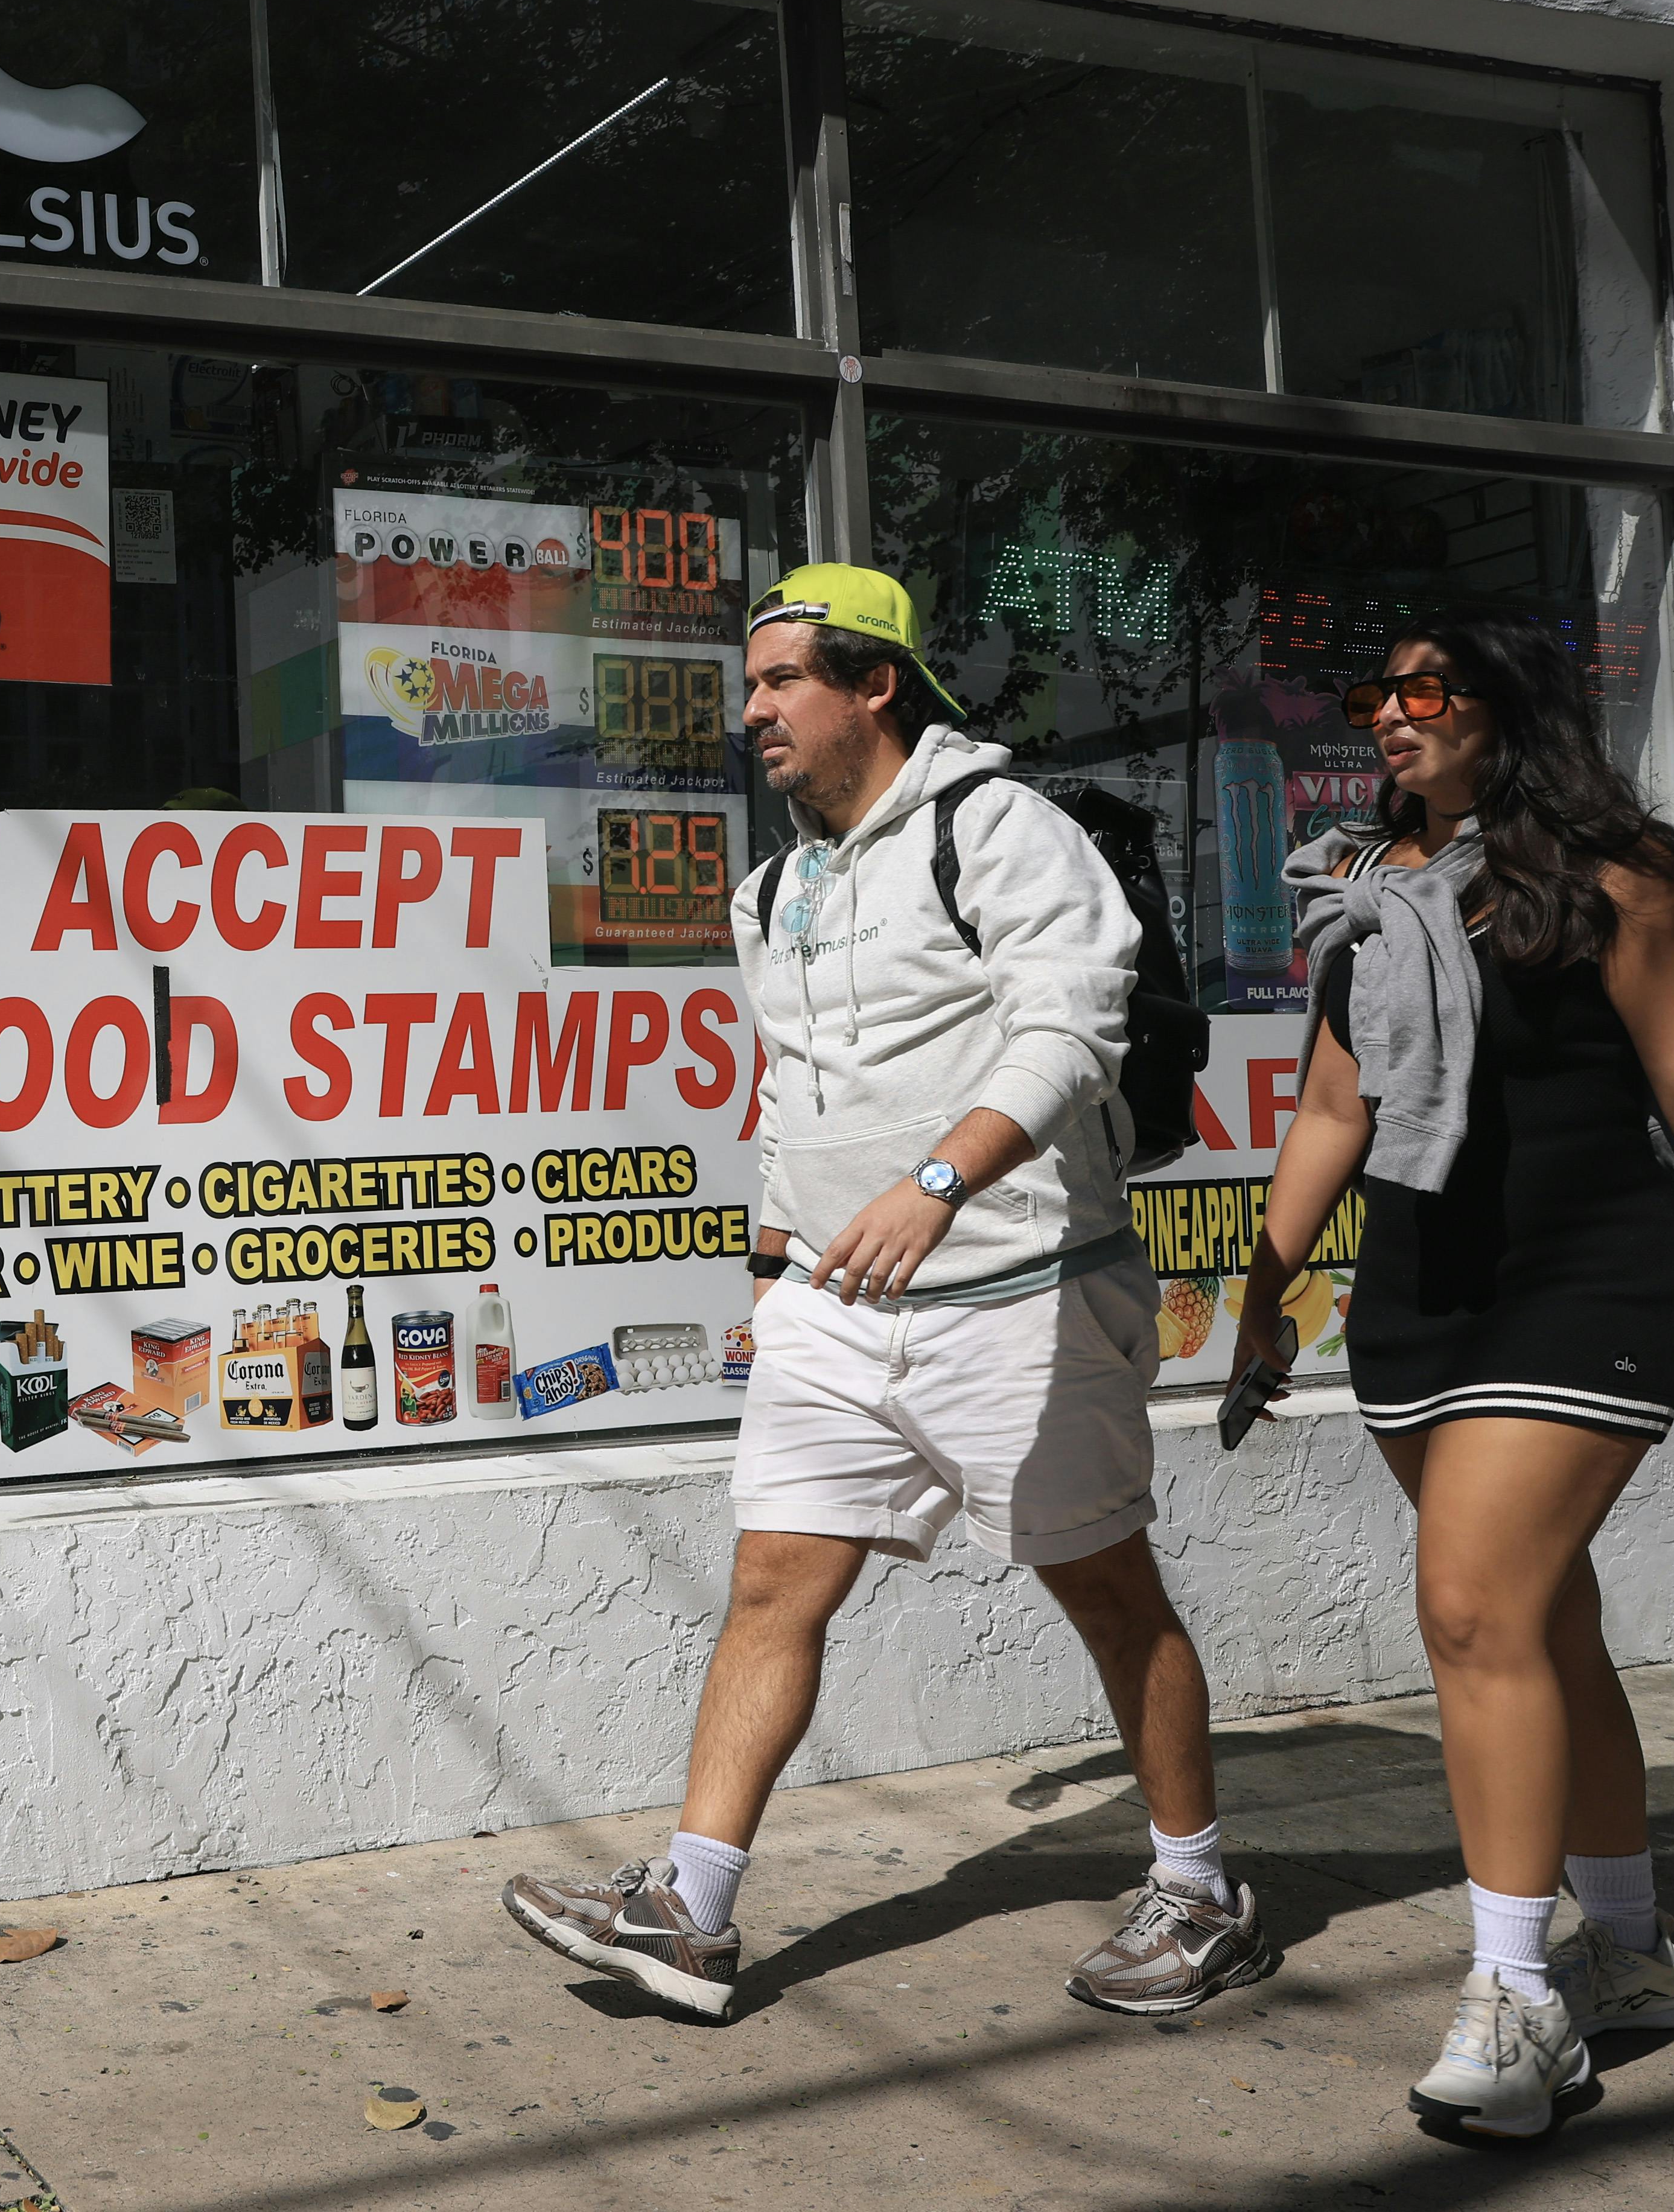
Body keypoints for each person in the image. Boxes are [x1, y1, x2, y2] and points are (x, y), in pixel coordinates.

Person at [504, 563, 1270, 2021]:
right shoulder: (775, 886)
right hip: (834, 1308)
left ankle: (1199, 1888)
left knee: (1108, 1590)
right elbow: (796, 1091)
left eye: (783, 679)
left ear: (877, 686)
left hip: (1021, 1285)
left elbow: (1072, 1027)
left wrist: (938, 1183)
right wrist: (773, 1253)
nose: (755, 711)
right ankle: (691, 1906)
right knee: (772, 1583)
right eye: (749, 684)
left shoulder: (1000, 829)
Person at [1228, 607, 1674, 2139]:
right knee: (1542, 1619)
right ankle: (1633, 1954)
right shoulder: (1376, 890)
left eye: (1426, 689)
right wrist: (1267, 1285)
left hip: (1588, 1278)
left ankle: (1516, 1991)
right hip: (1421, 1300)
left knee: (1471, 1607)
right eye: (1375, 697)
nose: (1391, 716)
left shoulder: (1628, 878)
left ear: (1506, 710)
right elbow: (1336, 1109)